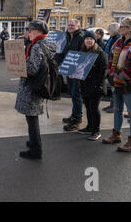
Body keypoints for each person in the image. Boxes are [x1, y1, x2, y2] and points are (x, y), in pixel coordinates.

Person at [103, 16, 131, 152]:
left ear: (129, 29)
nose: (119, 28)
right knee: (117, 110)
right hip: (117, 82)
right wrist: (110, 71)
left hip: (130, 83)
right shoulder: (119, 42)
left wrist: (122, 76)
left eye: (122, 26)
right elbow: (111, 57)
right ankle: (116, 135)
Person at [15, 20, 55, 160]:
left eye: (30, 30)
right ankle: (33, 142)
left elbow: (32, 69)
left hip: (32, 86)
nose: (28, 32)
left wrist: (19, 62)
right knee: (32, 117)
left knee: (32, 119)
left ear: (38, 31)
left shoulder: (37, 46)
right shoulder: (46, 43)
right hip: (40, 85)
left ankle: (35, 150)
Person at [78, 31, 108, 141]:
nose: (89, 41)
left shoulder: (100, 53)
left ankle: (96, 131)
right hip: (85, 85)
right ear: (84, 40)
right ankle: (89, 127)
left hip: (96, 86)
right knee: (88, 107)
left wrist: (98, 85)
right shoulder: (82, 51)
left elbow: (103, 71)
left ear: (95, 40)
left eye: (91, 39)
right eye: (87, 39)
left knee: (94, 108)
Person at [57, 19, 85, 132]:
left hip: (77, 72)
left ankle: (77, 120)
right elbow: (61, 52)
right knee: (72, 94)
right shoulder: (67, 37)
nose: (70, 27)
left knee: (76, 95)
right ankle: (74, 115)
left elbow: (83, 54)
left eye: (73, 25)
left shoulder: (81, 37)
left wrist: (77, 71)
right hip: (68, 69)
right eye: (69, 25)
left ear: (78, 26)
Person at [102, 23, 121, 114]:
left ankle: (114, 106)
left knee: (114, 87)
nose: (108, 31)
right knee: (112, 86)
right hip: (108, 63)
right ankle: (112, 104)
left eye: (109, 29)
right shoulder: (112, 37)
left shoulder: (117, 38)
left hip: (113, 65)